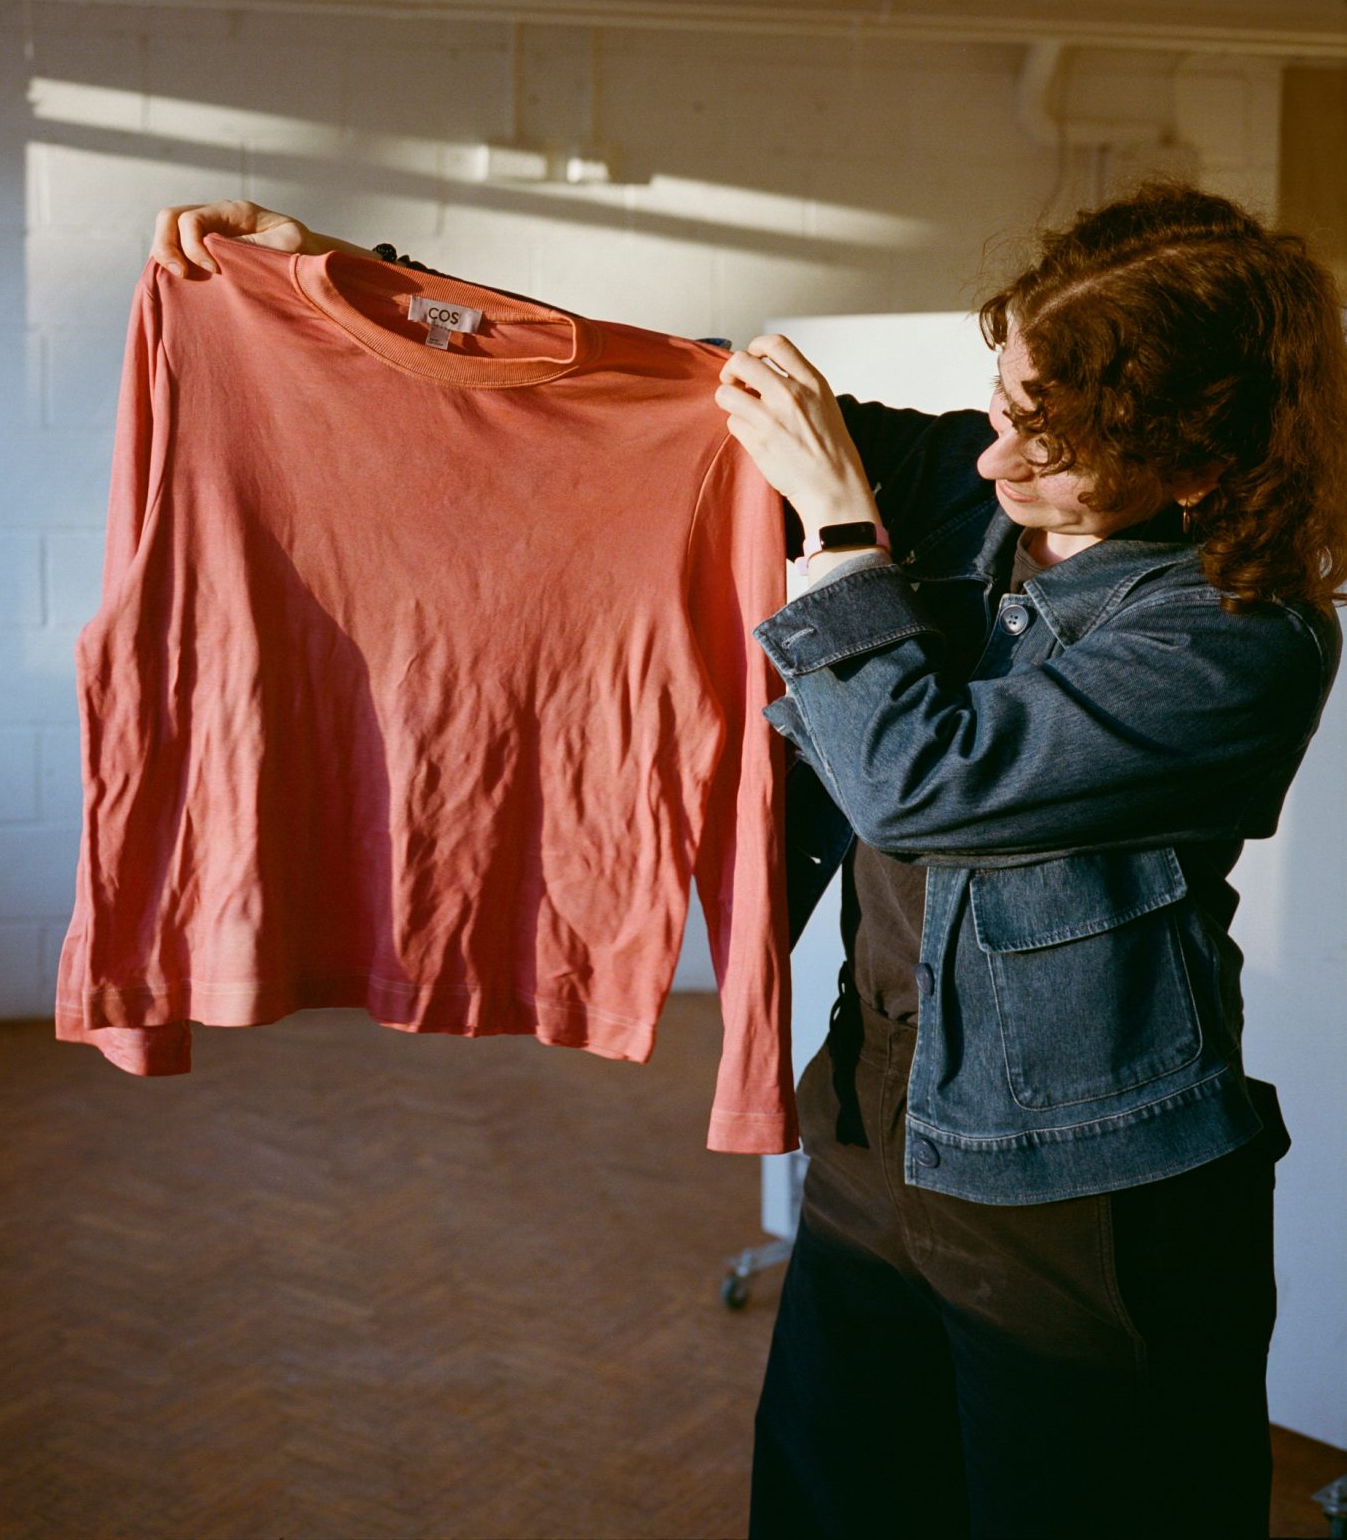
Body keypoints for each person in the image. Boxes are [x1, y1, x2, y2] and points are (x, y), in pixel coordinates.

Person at [150, 184, 1346, 1540]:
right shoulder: (968, 490)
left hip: (1091, 1182)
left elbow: (918, 783)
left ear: (1196, 463)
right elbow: (642, 386)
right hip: (873, 1123)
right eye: (1007, 402)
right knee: (834, 1502)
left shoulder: (1240, 635)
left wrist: (838, 528)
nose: (994, 459)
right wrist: (347, 279)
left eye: (1053, 440)